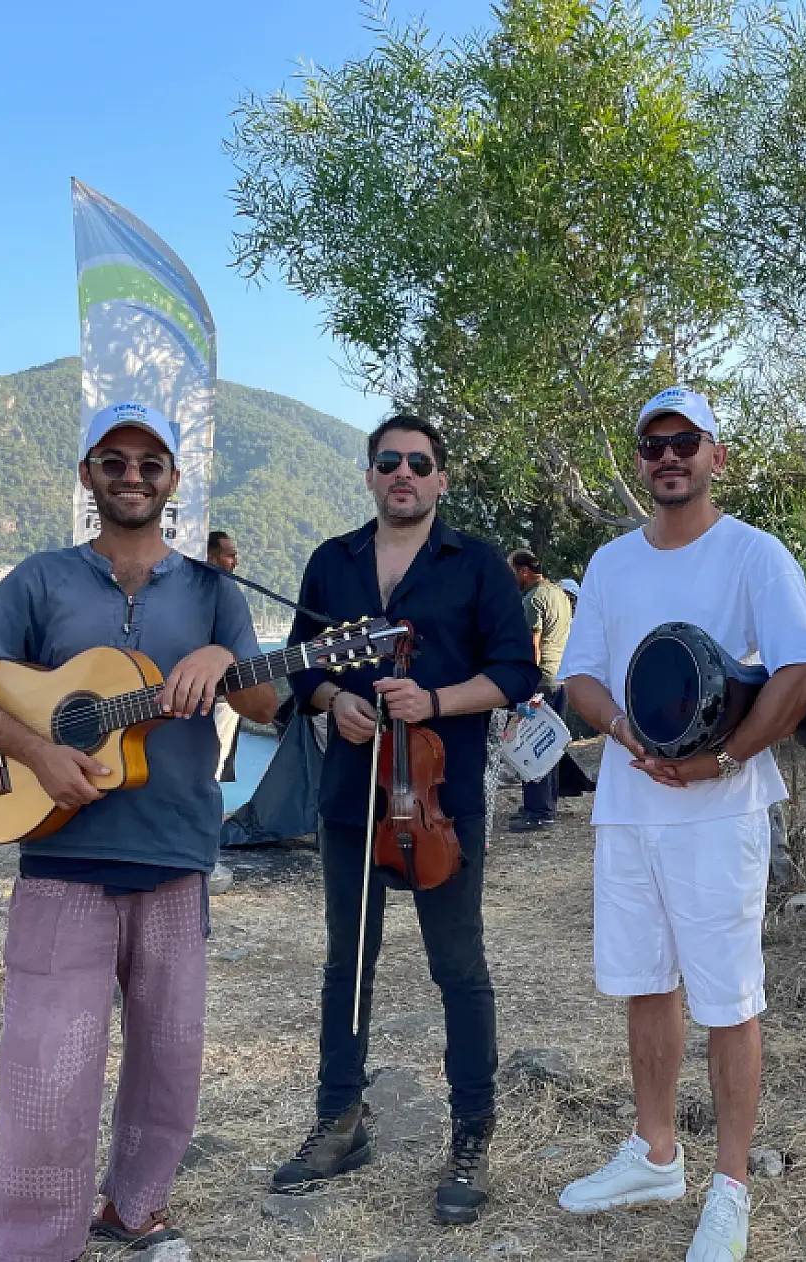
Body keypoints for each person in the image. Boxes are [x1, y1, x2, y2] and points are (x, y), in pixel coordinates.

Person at [0, 401, 279, 1262]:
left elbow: (267, 706)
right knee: (47, 1072)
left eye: (150, 463)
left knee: (170, 1059)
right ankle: (36, 1246)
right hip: (62, 856)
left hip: (176, 852)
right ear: (88, 475)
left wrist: (223, 660)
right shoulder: (41, 580)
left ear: (173, 480)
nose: (132, 476)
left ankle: (136, 1208)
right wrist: (38, 753)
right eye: (113, 461)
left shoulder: (214, 591)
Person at [556, 386, 806, 1262]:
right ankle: (655, 1154)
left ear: (717, 454)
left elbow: (804, 670)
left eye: (685, 441)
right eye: (653, 444)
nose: (668, 456)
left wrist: (726, 758)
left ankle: (731, 1186)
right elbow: (581, 675)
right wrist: (624, 730)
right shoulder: (610, 563)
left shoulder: (754, 555)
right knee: (646, 982)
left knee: (728, 998)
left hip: (720, 814)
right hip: (630, 804)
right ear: (640, 460)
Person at [271, 414, 538, 1225]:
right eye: (389, 461)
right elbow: (300, 666)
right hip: (352, 798)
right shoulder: (332, 562)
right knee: (345, 964)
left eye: (420, 464)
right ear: (369, 474)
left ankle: (471, 1135)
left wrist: (435, 701)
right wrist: (334, 700)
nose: (404, 474)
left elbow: (516, 671)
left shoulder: (477, 564)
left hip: (439, 802)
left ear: (440, 480)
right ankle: (340, 1122)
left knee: (458, 967)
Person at [506, 548, 573, 832]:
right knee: (551, 743)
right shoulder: (559, 594)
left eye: (512, 571)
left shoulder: (533, 599)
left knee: (531, 745)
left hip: (540, 681)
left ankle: (538, 812)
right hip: (561, 678)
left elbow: (533, 644)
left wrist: (526, 682)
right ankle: (547, 803)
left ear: (524, 571)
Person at [206, 530, 244, 782]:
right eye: (229, 556)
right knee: (212, 766)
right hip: (218, 697)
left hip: (222, 697)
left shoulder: (226, 593)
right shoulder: (219, 594)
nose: (234, 563)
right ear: (211, 557)